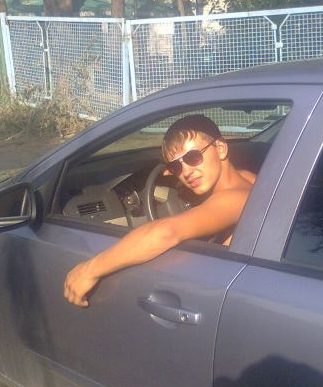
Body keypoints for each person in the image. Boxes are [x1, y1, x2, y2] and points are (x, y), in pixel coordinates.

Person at [64, 114, 256, 307]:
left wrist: (89, 270)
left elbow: (167, 232)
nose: (186, 172)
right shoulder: (248, 178)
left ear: (221, 148)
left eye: (193, 157)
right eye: (176, 166)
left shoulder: (235, 198)